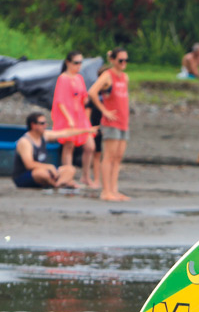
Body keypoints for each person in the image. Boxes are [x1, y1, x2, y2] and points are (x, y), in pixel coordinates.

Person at [12, 112, 97, 189]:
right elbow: (29, 164)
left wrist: (87, 130)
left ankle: (57, 185)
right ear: (33, 125)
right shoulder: (25, 142)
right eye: (42, 123)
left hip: (43, 171)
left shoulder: (44, 135)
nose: (45, 125)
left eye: (45, 123)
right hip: (24, 176)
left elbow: (65, 133)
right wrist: (49, 167)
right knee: (42, 173)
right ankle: (57, 184)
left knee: (70, 169)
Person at [88, 48, 130, 201]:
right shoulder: (107, 76)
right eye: (120, 60)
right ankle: (105, 191)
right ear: (113, 61)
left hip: (123, 122)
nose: (124, 63)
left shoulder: (125, 77)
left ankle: (114, 190)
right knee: (109, 157)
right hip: (111, 123)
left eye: (126, 60)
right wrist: (104, 111)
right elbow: (92, 92)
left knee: (118, 157)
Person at [51, 51, 97, 188]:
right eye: (76, 63)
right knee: (69, 146)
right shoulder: (63, 78)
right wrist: (69, 118)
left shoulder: (79, 78)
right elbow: (60, 100)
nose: (78, 66)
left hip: (80, 115)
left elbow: (83, 97)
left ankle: (85, 176)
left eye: (80, 63)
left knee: (90, 146)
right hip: (68, 116)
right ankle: (67, 177)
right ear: (68, 63)